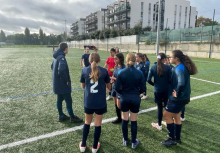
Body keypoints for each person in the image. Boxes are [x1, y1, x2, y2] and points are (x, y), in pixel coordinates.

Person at [161, 50, 197, 146]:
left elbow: (181, 83)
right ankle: (177, 138)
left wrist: (177, 92)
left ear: (176, 58)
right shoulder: (181, 67)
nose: (169, 58)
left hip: (178, 99)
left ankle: (171, 139)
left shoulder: (179, 69)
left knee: (167, 115)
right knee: (177, 116)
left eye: (171, 57)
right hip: (184, 98)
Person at [79, 53, 111, 153]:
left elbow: (83, 86)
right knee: (97, 124)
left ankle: (83, 145)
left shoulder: (84, 70)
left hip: (89, 101)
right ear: (99, 60)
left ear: (89, 61)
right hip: (100, 102)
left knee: (87, 122)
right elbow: (109, 87)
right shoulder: (104, 71)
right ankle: (94, 147)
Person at [115, 53, 145, 149]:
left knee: (124, 119)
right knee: (133, 120)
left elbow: (116, 87)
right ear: (134, 60)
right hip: (135, 98)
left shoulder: (121, 72)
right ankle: (133, 142)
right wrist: (138, 93)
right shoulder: (139, 72)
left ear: (127, 60)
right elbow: (143, 88)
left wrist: (122, 92)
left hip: (124, 98)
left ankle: (125, 140)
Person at [51, 42, 83, 123]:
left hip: (57, 84)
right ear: (66, 49)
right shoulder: (61, 57)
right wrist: (66, 80)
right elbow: (61, 70)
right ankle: (72, 117)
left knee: (59, 100)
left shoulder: (56, 56)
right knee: (68, 100)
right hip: (62, 84)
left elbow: (52, 67)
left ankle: (61, 116)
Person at [147, 53, 171, 131]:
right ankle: (168, 124)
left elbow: (148, 80)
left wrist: (155, 85)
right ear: (164, 59)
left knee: (159, 108)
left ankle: (159, 125)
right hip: (166, 90)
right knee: (167, 108)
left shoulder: (153, 67)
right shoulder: (168, 68)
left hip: (157, 90)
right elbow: (171, 79)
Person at [110, 53, 125, 124]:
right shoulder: (116, 66)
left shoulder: (124, 68)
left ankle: (124, 118)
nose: (114, 60)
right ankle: (119, 118)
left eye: (116, 59)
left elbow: (124, 79)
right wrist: (112, 80)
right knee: (116, 104)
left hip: (120, 89)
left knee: (120, 105)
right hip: (114, 87)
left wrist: (114, 78)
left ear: (120, 59)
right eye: (114, 59)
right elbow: (114, 75)